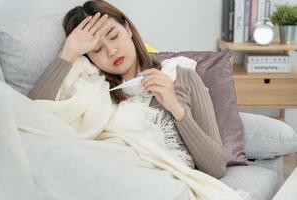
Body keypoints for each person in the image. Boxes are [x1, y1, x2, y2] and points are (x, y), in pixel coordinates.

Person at [28, 0, 227, 178]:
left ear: (128, 29)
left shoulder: (180, 76)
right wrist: (68, 52)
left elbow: (216, 168)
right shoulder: (90, 87)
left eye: (113, 36)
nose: (111, 50)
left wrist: (176, 109)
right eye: (97, 50)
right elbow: (29, 119)